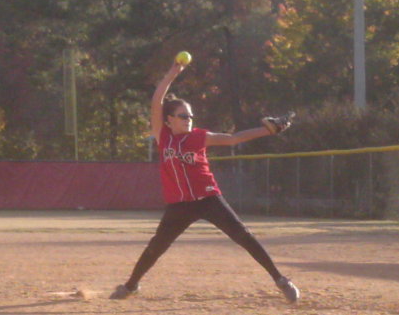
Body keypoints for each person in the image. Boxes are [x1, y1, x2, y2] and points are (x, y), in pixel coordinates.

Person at [110, 60, 300, 303]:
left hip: (209, 198)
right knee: (156, 247)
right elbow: (156, 101)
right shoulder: (162, 135)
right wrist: (172, 73)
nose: (188, 118)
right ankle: (130, 285)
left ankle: (281, 280)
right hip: (179, 205)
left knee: (243, 236)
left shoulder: (199, 137)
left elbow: (233, 139)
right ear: (168, 119)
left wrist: (268, 130)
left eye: (190, 115)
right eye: (182, 115)